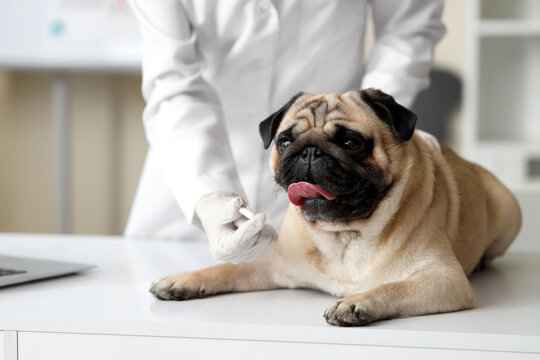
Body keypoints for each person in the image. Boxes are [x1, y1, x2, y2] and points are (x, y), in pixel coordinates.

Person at [125, 0, 446, 263]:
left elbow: (408, 28)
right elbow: (173, 82)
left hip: (343, 190)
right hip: (185, 185)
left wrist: (372, 129)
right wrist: (209, 194)